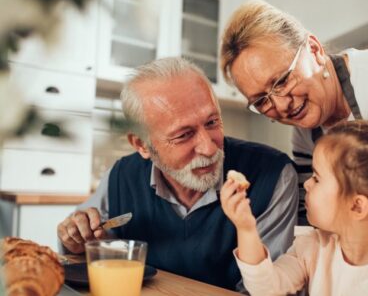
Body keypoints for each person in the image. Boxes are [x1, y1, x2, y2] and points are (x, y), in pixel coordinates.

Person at [56, 57, 299, 291]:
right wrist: (75, 239)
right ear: (141, 144)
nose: (209, 147)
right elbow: (80, 252)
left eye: (212, 122)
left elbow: (267, 290)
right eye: (183, 135)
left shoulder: (273, 175)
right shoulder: (121, 176)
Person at [220, 0, 368, 232]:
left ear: (314, 49)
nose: (281, 106)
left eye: (282, 81)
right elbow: (312, 215)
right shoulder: (307, 133)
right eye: (262, 100)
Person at [221, 120, 368, 296]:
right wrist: (246, 229)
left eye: (317, 178)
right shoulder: (312, 247)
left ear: (357, 205)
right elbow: (266, 288)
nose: (308, 184)